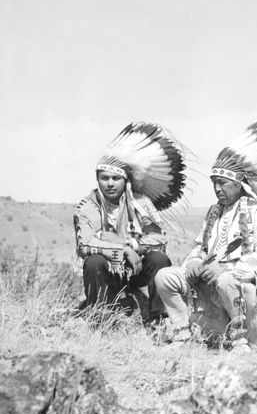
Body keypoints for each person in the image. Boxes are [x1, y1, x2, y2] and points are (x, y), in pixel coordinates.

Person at [155, 122, 257, 347]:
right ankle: (183, 332)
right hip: (208, 277)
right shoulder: (214, 212)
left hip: (240, 278)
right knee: (165, 276)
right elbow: (201, 246)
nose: (218, 189)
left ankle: (242, 341)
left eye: (224, 183)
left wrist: (227, 269)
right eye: (215, 184)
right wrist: (194, 262)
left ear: (239, 183)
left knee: (226, 279)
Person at [73, 122, 187, 323]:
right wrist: (124, 250)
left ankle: (158, 317)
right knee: (94, 261)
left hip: (137, 269)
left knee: (159, 259)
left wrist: (133, 245)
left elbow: (159, 239)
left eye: (115, 178)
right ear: (97, 179)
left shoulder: (140, 202)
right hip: (107, 272)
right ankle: (102, 317)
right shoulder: (88, 206)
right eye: (104, 178)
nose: (110, 183)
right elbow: (85, 245)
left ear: (125, 180)